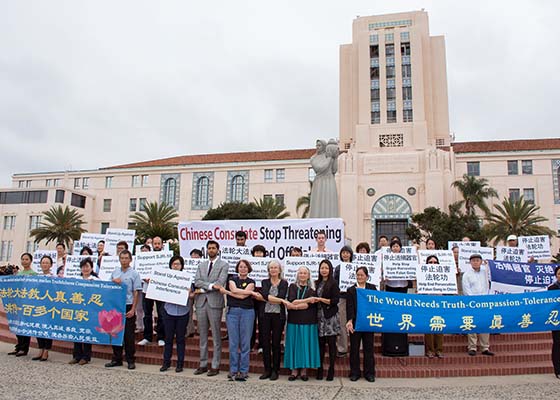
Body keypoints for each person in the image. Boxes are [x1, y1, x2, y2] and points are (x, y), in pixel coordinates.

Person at [193, 240, 229, 377]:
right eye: (209, 248)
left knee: (216, 335)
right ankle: (203, 363)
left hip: (215, 303)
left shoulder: (224, 265)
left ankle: (215, 365)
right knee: (202, 335)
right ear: (206, 250)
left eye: (214, 248)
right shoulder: (201, 265)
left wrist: (205, 286)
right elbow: (197, 281)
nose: (211, 250)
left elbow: (220, 282)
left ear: (218, 250)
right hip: (201, 303)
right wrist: (210, 286)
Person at [219, 259, 255, 381]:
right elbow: (237, 291)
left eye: (245, 267)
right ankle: (233, 369)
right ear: (237, 268)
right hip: (232, 312)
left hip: (247, 313)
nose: (243, 269)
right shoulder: (232, 280)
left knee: (245, 343)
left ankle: (244, 370)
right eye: (241, 267)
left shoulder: (251, 282)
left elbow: (244, 295)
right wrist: (233, 291)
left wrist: (227, 292)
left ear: (248, 268)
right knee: (234, 342)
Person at [105, 250, 142, 369]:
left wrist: (133, 309)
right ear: (119, 259)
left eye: (126, 258)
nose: (124, 260)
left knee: (128, 335)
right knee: (115, 333)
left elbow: (136, 292)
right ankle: (117, 358)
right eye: (122, 258)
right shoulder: (115, 272)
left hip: (128, 305)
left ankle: (130, 360)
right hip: (116, 306)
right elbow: (109, 288)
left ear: (130, 259)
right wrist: (113, 283)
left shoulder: (134, 274)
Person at [253, 260, 288, 381]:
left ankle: (275, 370)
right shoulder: (264, 282)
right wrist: (271, 298)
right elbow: (265, 295)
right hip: (265, 315)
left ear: (279, 270)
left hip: (278, 316)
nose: (273, 269)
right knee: (265, 343)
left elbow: (281, 298)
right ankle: (267, 369)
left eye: (275, 267)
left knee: (276, 343)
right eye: (271, 268)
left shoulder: (284, 283)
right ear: (268, 270)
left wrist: (267, 298)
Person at [284, 266, 320, 381]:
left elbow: (306, 305)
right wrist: (306, 300)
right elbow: (292, 300)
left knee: (305, 345)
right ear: (297, 275)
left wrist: (296, 306)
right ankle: (294, 370)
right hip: (293, 321)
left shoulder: (312, 289)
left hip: (308, 321)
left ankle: (304, 370)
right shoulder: (292, 286)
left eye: (305, 273)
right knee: (294, 345)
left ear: (309, 275)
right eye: (301, 273)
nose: (303, 275)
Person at [346, 266, 376, 382]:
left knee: (369, 348)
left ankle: (369, 373)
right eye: (358, 275)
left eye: (362, 275)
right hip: (356, 323)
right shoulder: (351, 290)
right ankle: (355, 372)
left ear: (367, 277)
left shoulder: (372, 288)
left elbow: (375, 305)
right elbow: (349, 307)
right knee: (354, 348)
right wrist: (349, 321)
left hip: (369, 322)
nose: (359, 277)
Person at [160, 256, 189, 373]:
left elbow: (192, 295)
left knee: (181, 339)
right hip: (169, 311)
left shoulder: (187, 278)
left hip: (183, 312)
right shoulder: (165, 278)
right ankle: (166, 362)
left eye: (178, 264)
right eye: (174, 264)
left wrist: (189, 293)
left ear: (182, 266)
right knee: (168, 338)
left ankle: (180, 364)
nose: (176, 266)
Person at [462, 253, 494, 357]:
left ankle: (485, 347)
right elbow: (466, 289)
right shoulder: (466, 274)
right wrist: (473, 301)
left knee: (485, 324)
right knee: (472, 324)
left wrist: (489, 264)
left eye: (477, 260)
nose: (475, 262)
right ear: (470, 262)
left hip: (485, 302)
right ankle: (472, 347)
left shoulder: (485, 272)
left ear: (481, 261)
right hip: (472, 302)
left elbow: (493, 276)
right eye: (473, 260)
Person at [314, 259, 340, 381]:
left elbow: (335, 301)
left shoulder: (333, 283)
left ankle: (331, 369)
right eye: (322, 268)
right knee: (320, 345)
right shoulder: (317, 282)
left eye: (326, 268)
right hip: (319, 317)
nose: (324, 270)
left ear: (330, 270)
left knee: (331, 344)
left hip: (330, 317)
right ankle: (320, 370)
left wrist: (321, 300)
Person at [69, 258, 98, 365]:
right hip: (77, 310)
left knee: (86, 333)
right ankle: (76, 355)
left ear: (91, 268)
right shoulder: (76, 279)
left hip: (89, 311)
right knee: (76, 332)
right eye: (83, 267)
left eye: (87, 266)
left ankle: (86, 357)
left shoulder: (96, 280)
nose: (85, 269)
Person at [138, 236, 166, 347]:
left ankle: (161, 337)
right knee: (147, 314)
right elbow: (140, 271)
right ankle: (147, 337)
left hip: (160, 289)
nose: (157, 245)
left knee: (161, 314)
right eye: (155, 243)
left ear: (162, 245)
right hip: (147, 288)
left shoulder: (165, 257)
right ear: (152, 245)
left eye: (159, 243)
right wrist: (144, 278)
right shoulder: (145, 257)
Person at [8, 253, 36, 357]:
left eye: (26, 259)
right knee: (17, 325)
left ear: (30, 261)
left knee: (25, 326)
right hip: (17, 303)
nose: (24, 261)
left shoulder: (33, 274)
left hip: (27, 304)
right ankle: (19, 346)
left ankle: (24, 348)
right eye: (23, 259)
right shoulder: (18, 274)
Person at [309, 139, 339, 218]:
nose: (317, 147)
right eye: (317, 145)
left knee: (330, 202)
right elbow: (319, 168)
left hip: (330, 180)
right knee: (318, 203)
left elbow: (334, 170)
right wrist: (329, 158)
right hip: (320, 182)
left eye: (319, 145)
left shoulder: (328, 155)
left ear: (324, 146)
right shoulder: (313, 158)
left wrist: (335, 158)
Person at [32, 255, 55, 361]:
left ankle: (46, 350)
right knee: (38, 327)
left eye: (47, 262)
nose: (45, 264)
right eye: (43, 262)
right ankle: (40, 349)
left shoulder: (54, 278)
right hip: (38, 306)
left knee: (47, 328)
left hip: (49, 307)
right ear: (40, 264)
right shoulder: (37, 277)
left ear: (51, 265)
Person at [333, 245, 353, 357]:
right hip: (342, 297)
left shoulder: (356, 267)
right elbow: (335, 283)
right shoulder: (338, 268)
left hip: (354, 298)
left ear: (351, 254)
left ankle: (356, 347)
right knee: (342, 323)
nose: (345, 254)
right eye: (343, 253)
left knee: (355, 322)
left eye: (347, 252)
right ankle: (342, 348)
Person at [424, 255, 444, 358]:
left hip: (439, 303)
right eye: (430, 262)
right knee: (429, 328)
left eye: (435, 262)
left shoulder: (443, 274)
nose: (433, 264)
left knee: (439, 327)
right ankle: (430, 350)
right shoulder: (422, 274)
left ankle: (439, 350)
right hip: (427, 303)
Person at [186, 248, 203, 338]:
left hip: (200, 291)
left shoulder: (204, 267)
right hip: (189, 291)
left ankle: (201, 331)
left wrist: (196, 292)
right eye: (192, 258)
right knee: (188, 311)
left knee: (200, 312)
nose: (194, 260)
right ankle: (190, 330)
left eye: (196, 258)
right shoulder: (186, 267)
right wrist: (189, 292)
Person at [547, 265, 560, 379]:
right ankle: (558, 370)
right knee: (557, 344)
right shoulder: (552, 288)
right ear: (556, 275)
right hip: (556, 320)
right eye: (559, 273)